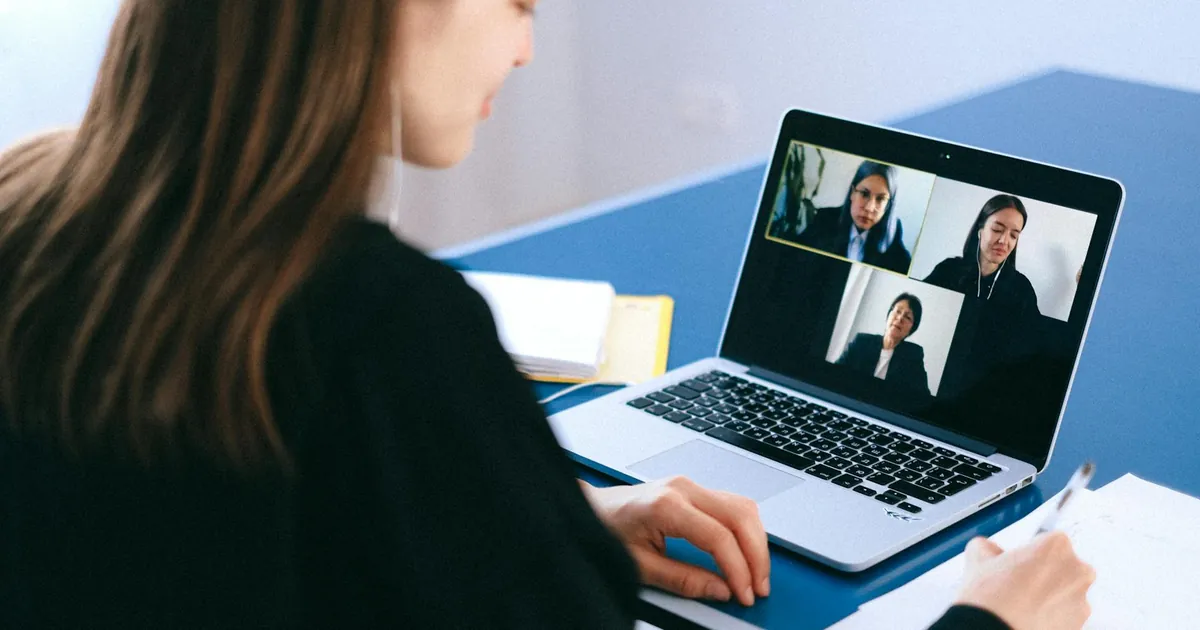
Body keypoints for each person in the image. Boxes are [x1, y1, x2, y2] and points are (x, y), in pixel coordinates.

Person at [0, 1, 1094, 628]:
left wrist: (545, 523)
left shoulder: (28, 207)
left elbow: (220, 525)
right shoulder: (384, 329)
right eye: (517, 1)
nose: (525, 48)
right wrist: (985, 625)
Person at [923, 194, 1039, 315]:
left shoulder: (1021, 288)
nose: (1004, 241)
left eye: (1013, 235)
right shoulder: (948, 270)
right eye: (997, 229)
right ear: (980, 230)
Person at [798, 160, 912, 273]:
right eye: (864, 194)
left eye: (880, 199)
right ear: (852, 193)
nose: (869, 207)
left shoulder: (893, 233)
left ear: (888, 205)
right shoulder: (825, 219)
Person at [837, 293, 931, 396]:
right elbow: (835, 373)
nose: (900, 318)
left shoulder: (913, 355)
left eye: (908, 317)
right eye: (897, 311)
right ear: (888, 315)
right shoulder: (861, 342)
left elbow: (922, 396)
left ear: (911, 329)